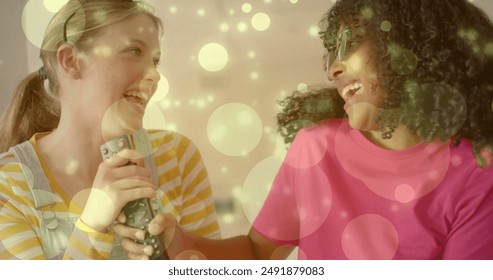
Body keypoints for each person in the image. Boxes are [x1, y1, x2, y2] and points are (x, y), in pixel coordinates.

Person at [116, 0, 493, 260]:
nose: (333, 69)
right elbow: (259, 255)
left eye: (349, 44)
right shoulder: (316, 145)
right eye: (331, 52)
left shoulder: (478, 172)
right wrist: (177, 240)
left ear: (411, 49)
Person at [0, 0, 220, 260]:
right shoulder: (9, 188)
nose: (155, 76)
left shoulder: (178, 157)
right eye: (134, 51)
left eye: (156, 61)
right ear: (71, 61)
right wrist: (91, 228)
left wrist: (182, 251)